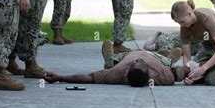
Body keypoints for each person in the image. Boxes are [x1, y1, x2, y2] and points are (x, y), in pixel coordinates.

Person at [44, 41, 187, 87]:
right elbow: (185, 71)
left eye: (136, 63)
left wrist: (60, 77)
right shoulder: (164, 76)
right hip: (154, 57)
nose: (138, 60)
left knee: (111, 64)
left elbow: (89, 77)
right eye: (139, 63)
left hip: (125, 57)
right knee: (168, 61)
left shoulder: (116, 74)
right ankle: (168, 57)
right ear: (149, 71)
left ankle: (110, 59)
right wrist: (202, 70)